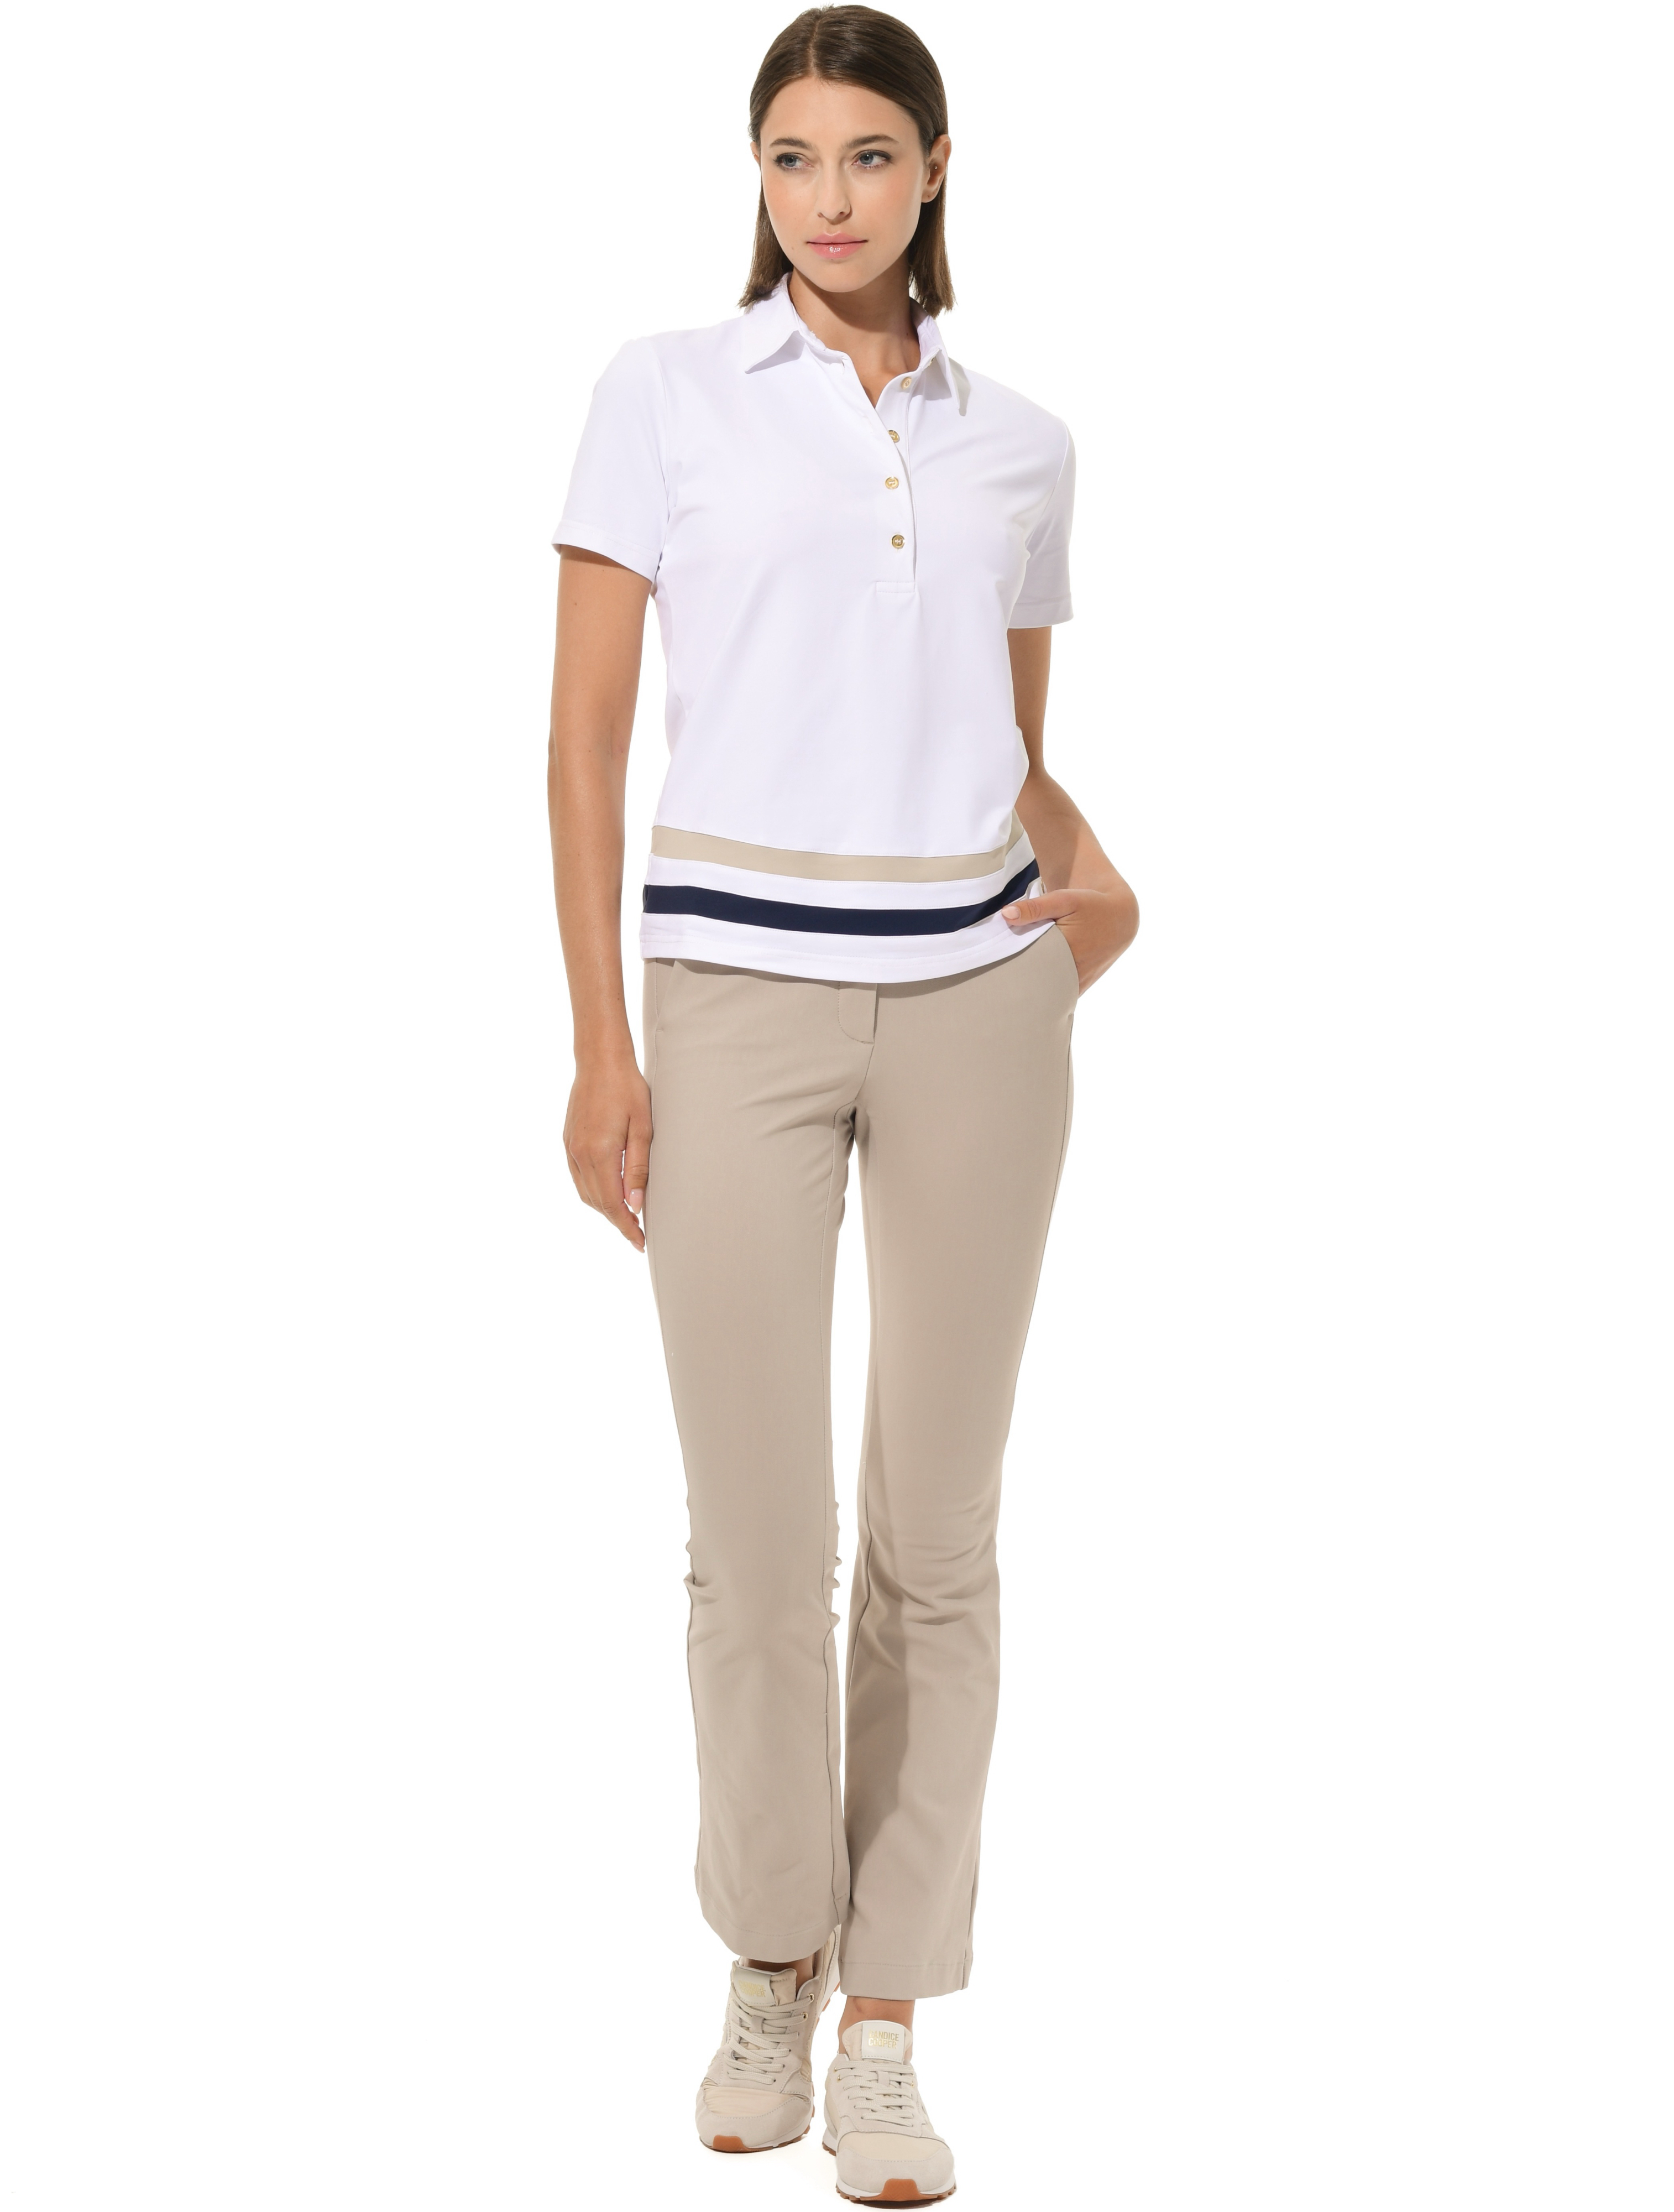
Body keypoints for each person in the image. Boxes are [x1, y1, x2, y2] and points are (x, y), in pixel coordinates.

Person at [548, 8, 1138, 2200]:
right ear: (757, 174)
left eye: (868, 154)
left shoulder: (1021, 443)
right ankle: (771, 1955)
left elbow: (997, 739)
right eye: (792, 155)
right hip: (732, 1007)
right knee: (754, 1540)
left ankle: (887, 2010)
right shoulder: (663, 394)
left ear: (935, 170)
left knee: (938, 1538)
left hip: (977, 1004)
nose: (829, 196)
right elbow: (582, 745)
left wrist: (1094, 879)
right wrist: (603, 1043)